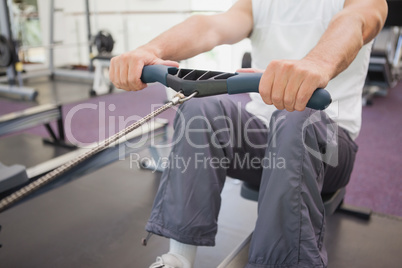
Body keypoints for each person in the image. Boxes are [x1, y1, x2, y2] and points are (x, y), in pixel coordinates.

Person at [109, 0, 388, 267]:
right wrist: (151, 49)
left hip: (329, 147)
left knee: (295, 117)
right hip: (264, 139)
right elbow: (211, 26)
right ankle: (178, 259)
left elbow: (358, 20)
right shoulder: (259, 2)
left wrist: (317, 63)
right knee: (200, 107)